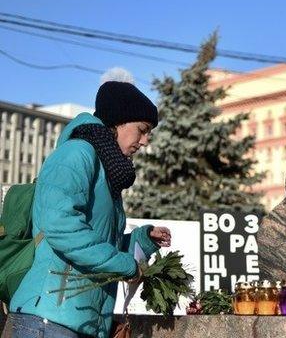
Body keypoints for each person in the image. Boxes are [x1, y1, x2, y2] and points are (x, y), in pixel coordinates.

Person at [8, 81, 171, 338]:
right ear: (118, 121)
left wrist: (141, 241)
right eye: (142, 130)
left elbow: (99, 243)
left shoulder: (108, 171)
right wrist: (125, 264)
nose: (145, 140)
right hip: (49, 318)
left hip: (79, 321)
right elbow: (62, 228)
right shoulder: (77, 154)